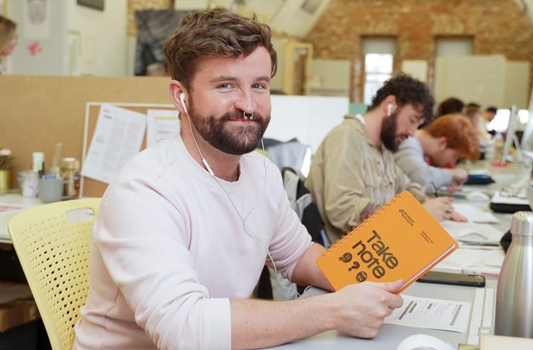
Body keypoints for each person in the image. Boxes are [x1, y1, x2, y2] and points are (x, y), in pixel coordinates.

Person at [73, 8, 405, 350]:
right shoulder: (145, 190)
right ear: (180, 96)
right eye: (226, 85)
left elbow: (299, 256)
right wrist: (335, 311)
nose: (248, 105)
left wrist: (375, 281)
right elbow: (183, 330)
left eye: (258, 85)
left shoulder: (261, 172)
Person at [305, 75, 466, 244]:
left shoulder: (382, 147)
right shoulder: (346, 138)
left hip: (376, 250)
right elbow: (342, 209)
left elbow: (405, 187)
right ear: (390, 105)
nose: (412, 133)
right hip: (348, 258)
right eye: (412, 121)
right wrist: (418, 216)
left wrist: (437, 207)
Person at [394, 114, 480, 193]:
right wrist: (452, 174)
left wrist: (446, 180)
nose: (452, 163)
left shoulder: (417, 147)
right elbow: (421, 179)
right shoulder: (407, 141)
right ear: (443, 143)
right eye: (455, 157)